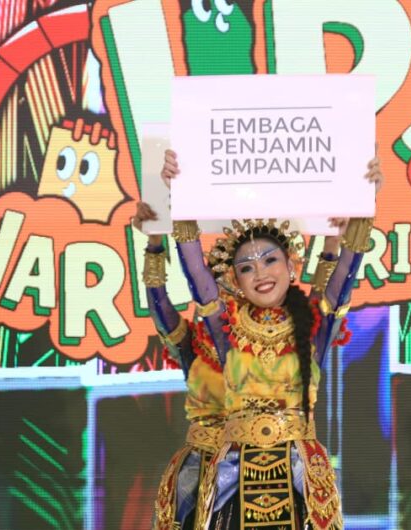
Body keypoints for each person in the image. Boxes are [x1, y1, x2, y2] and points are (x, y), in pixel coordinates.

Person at [156, 149, 382, 530]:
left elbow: (345, 271)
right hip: (234, 475)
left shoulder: (313, 325)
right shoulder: (227, 329)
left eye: (270, 260)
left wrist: (365, 205)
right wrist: (179, 198)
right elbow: (197, 276)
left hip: (298, 476)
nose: (260, 272)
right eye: (246, 267)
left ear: (291, 267)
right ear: (236, 281)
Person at [134, 214, 226, 530]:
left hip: (261, 458)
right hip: (201, 461)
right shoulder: (192, 345)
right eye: (216, 284)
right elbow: (159, 306)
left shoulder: (270, 342)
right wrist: (154, 243)